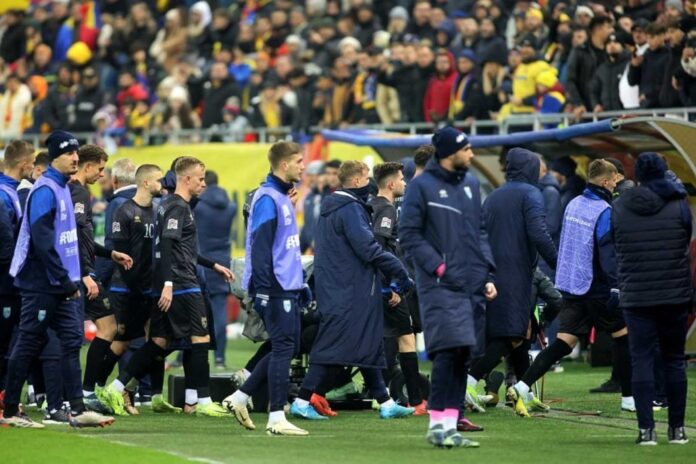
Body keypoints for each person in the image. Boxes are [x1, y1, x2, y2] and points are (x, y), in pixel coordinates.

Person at [100, 157, 234, 417]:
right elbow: (169, 247)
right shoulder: (177, 207)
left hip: (170, 282)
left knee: (160, 341)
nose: (204, 184)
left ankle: (117, 387)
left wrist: (212, 264)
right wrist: (170, 285)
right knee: (200, 338)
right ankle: (202, 401)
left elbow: (181, 248)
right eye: (200, 178)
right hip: (182, 283)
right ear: (186, 179)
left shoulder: (168, 206)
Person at [1, 130, 113, 428]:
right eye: (69, 153)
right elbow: (42, 240)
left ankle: (76, 408)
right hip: (41, 282)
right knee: (28, 342)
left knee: (71, 341)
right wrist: (65, 281)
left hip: (61, 282)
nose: (76, 158)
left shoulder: (63, 187)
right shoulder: (45, 190)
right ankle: (10, 408)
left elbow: (65, 240)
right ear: (55, 158)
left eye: (76, 152)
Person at [289, 161, 415, 423]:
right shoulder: (349, 209)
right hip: (347, 290)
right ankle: (301, 401)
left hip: (345, 287)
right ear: (356, 181)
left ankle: (385, 402)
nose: (369, 181)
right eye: (366, 176)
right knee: (332, 346)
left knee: (367, 344)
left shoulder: (336, 206)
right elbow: (367, 248)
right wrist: (399, 271)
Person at [508, 159, 635, 416]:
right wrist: (615, 287)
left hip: (572, 286)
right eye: (613, 181)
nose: (615, 185)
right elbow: (606, 252)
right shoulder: (604, 210)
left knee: (564, 342)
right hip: (596, 286)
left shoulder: (573, 204)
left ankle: (521, 386)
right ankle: (629, 398)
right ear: (604, 181)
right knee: (623, 336)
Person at [399, 127, 491, 448]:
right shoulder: (421, 186)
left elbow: (479, 232)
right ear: (450, 153)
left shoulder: (470, 184)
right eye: (467, 149)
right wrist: (439, 266)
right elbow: (408, 235)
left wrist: (486, 272)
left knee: (464, 353)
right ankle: (437, 425)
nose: (472, 155)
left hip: (472, 283)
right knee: (448, 350)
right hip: (438, 284)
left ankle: (450, 425)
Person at [223, 141, 310, 436]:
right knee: (284, 346)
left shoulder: (281, 196)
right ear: (284, 165)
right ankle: (275, 418)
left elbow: (284, 247)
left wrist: (299, 283)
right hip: (272, 287)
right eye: (299, 161)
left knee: (286, 345)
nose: (303, 166)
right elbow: (260, 249)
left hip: (286, 285)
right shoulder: (268, 199)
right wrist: (261, 289)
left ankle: (240, 396)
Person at [467, 147, 557, 415]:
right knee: (511, 335)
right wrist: (559, 264)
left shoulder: (493, 196)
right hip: (516, 273)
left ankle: (524, 392)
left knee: (522, 330)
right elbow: (539, 234)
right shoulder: (531, 194)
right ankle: (469, 382)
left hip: (493, 271)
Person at [612, 153, 691, 445]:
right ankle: (677, 430)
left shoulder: (619, 206)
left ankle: (646, 431)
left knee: (642, 360)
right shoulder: (678, 203)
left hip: (636, 295)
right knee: (673, 360)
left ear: (639, 175)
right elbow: (686, 239)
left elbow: (618, 243)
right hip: (674, 293)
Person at [104, 164, 180, 415]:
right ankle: (95, 389)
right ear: (146, 183)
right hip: (127, 289)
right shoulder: (124, 211)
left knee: (157, 339)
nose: (164, 184)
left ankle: (151, 394)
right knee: (122, 342)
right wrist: (134, 285)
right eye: (159, 180)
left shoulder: (159, 211)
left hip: (151, 288)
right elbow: (121, 255)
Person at [70, 145, 133, 412]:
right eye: (100, 168)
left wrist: (111, 253)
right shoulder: (78, 193)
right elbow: (69, 238)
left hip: (80, 271)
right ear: (87, 166)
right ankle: (77, 393)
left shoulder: (75, 191)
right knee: (61, 335)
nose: (103, 174)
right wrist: (85, 274)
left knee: (105, 327)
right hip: (78, 275)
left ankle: (75, 392)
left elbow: (82, 239)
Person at [369, 162, 426, 415]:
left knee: (385, 339)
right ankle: (416, 400)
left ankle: (381, 396)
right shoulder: (387, 210)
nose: (405, 182)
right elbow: (379, 246)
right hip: (388, 286)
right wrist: (389, 286)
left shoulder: (369, 205)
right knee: (406, 337)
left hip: (377, 284)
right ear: (391, 184)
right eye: (402, 179)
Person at [0, 141, 35, 393]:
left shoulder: (11, 191)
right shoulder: (4, 195)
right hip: (6, 283)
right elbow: (6, 246)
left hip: (10, 281)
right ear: (24, 164)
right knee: (4, 343)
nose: (33, 168)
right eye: (32, 163)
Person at [193, 170, 236, 369]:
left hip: (201, 260)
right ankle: (220, 358)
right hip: (223, 261)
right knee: (220, 313)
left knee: (194, 312)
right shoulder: (231, 206)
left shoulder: (198, 206)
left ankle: (186, 354)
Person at [95, 158, 138, 288]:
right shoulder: (152, 201)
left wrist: (99, 279)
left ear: (114, 180)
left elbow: (111, 245)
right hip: (147, 280)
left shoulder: (117, 203)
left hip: (121, 281)